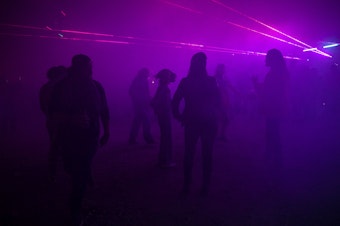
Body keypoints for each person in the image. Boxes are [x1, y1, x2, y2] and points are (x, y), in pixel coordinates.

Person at [49, 54, 110, 225]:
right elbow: (51, 114)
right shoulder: (62, 87)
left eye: (91, 67)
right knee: (75, 170)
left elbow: (104, 110)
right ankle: (76, 206)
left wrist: (107, 131)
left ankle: (75, 209)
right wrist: (70, 119)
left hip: (90, 136)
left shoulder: (96, 86)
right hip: (69, 136)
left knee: (80, 172)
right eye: (88, 67)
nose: (91, 70)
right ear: (77, 67)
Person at [172, 52, 221, 197]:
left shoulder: (186, 81)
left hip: (193, 120)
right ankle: (205, 185)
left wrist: (179, 116)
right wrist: (214, 113)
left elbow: (175, 102)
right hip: (208, 121)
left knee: (189, 153)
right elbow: (218, 101)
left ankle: (187, 185)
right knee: (207, 154)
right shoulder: (211, 81)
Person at [252, 48, 289, 174]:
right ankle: (274, 160)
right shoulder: (280, 73)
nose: (265, 59)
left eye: (267, 57)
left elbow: (270, 92)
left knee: (273, 133)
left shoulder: (275, 74)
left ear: (272, 59)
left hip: (273, 107)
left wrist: (257, 86)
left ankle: (275, 162)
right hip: (276, 107)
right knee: (273, 133)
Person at [39, 65, 67, 182]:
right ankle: (56, 171)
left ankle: (54, 171)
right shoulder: (59, 87)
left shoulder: (45, 87)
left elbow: (42, 105)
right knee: (60, 145)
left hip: (52, 119)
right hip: (60, 120)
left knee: (55, 144)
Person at [151, 69, 176, 168]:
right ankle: (166, 161)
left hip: (162, 115)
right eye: (169, 76)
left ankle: (163, 160)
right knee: (166, 137)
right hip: (165, 115)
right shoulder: (164, 89)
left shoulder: (161, 87)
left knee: (165, 137)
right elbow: (163, 103)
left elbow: (153, 102)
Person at [128, 68, 155, 144]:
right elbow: (132, 91)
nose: (148, 75)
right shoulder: (140, 81)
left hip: (141, 104)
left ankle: (132, 139)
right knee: (145, 121)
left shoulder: (140, 80)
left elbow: (132, 91)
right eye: (147, 73)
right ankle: (148, 138)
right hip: (141, 105)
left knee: (137, 121)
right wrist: (140, 100)